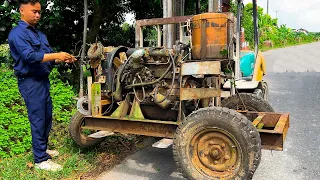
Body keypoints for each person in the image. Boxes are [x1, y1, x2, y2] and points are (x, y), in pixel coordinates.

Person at [8, 0, 76, 171]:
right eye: (34, 11)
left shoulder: (39, 35)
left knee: (46, 117)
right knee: (38, 119)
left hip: (43, 81)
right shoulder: (17, 34)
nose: (38, 15)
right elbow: (30, 56)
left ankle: (42, 149)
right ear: (22, 10)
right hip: (30, 82)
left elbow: (48, 60)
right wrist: (56, 54)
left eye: (39, 12)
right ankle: (40, 160)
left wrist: (63, 60)